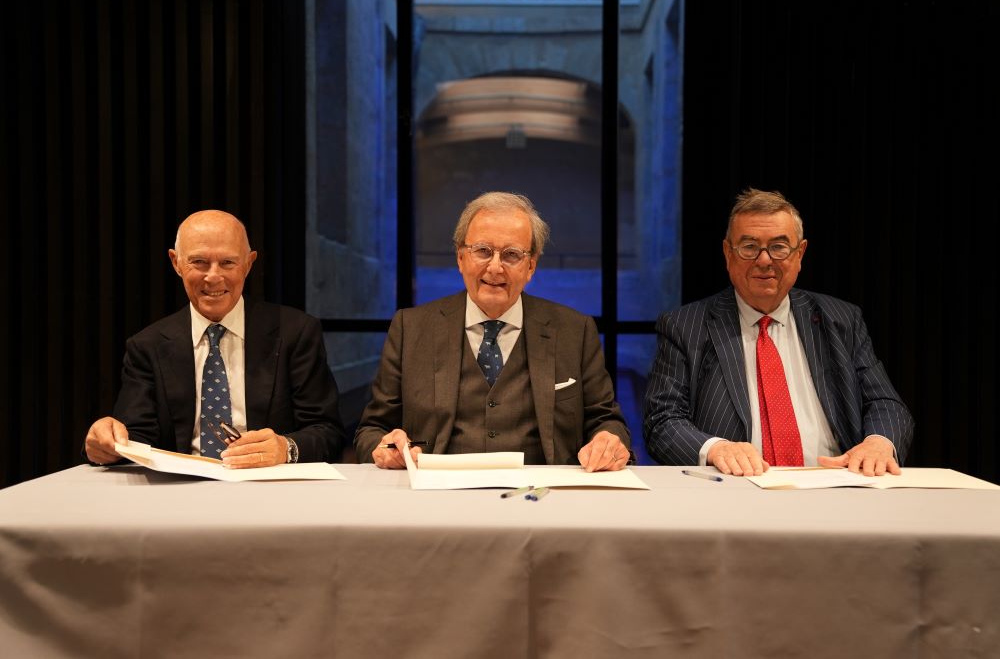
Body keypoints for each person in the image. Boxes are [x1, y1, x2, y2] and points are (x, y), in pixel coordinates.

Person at [644, 188, 913, 476]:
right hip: (735, 490)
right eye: (749, 246)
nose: (764, 260)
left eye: (779, 247)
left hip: (835, 483)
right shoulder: (685, 326)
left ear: (800, 253)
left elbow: (886, 403)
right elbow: (662, 421)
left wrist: (878, 442)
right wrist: (716, 448)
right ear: (727, 253)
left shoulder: (841, 319)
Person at [355, 191, 631, 471]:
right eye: (483, 251)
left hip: (544, 497)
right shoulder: (410, 328)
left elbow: (606, 421)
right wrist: (386, 448)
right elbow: (372, 429)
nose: (495, 267)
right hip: (436, 496)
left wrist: (608, 441)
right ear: (461, 258)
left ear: (531, 266)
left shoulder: (575, 331)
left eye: (511, 255)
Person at [84, 210, 346, 468]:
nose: (213, 276)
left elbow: (328, 432)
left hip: (268, 490)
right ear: (176, 263)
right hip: (179, 495)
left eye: (228, 263)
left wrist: (284, 448)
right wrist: (108, 445)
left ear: (248, 264)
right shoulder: (147, 346)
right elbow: (135, 440)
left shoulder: (296, 333)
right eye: (198, 262)